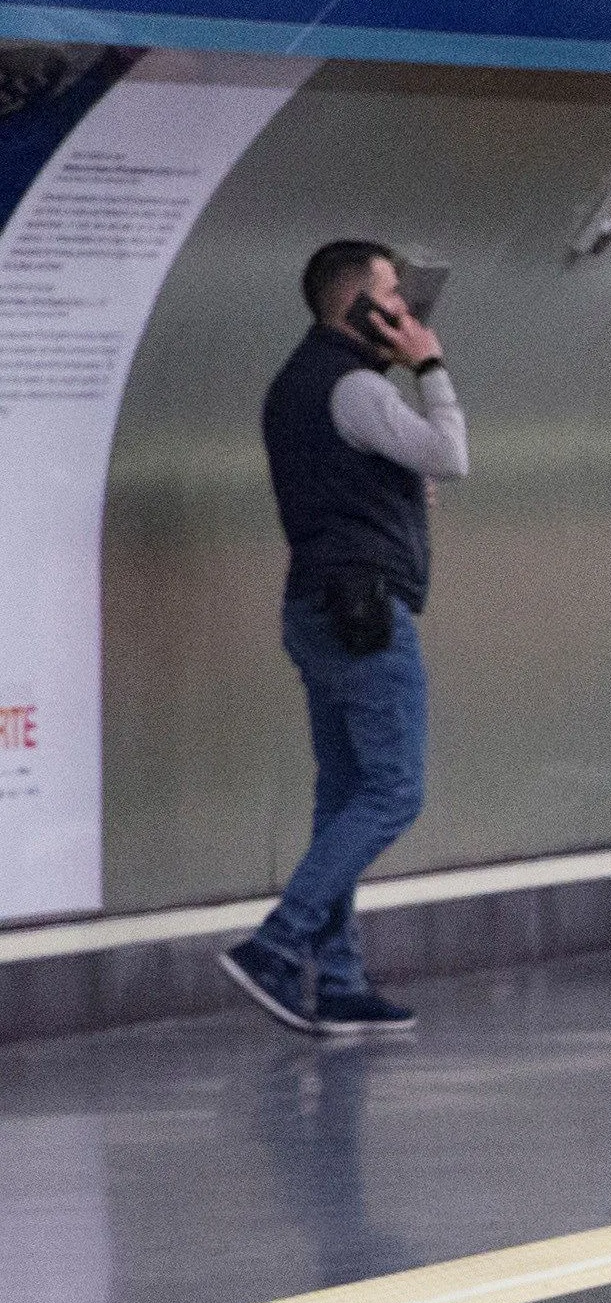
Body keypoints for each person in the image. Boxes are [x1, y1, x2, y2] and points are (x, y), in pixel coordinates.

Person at [220, 242, 466, 1040]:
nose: (407, 308)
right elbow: (453, 456)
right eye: (394, 292)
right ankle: (277, 942)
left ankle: (342, 977)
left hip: (316, 607)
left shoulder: (298, 380)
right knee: (395, 791)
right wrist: (429, 366)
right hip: (364, 612)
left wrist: (398, 480)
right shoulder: (356, 384)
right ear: (358, 304)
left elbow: (349, 473)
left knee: (343, 792)